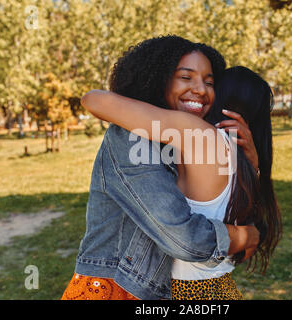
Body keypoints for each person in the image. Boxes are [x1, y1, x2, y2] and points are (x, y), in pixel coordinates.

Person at [61, 35, 260, 300]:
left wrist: (251, 163)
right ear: (156, 78)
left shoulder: (190, 139)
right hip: (117, 289)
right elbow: (185, 239)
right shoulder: (131, 137)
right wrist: (244, 236)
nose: (201, 89)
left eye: (209, 82)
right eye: (186, 78)